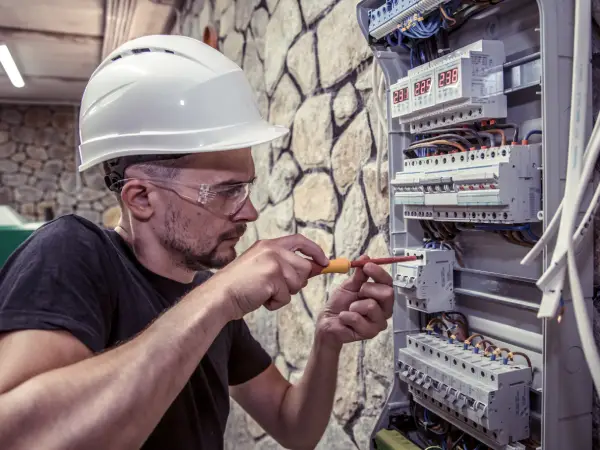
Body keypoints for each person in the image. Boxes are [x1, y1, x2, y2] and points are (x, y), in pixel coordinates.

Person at [0, 35, 394, 450]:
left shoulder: (204, 298)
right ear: (141, 198)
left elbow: (293, 427)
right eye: (226, 191)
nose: (250, 212)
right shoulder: (72, 252)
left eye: (246, 189)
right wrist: (221, 294)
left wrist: (327, 340)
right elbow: (22, 438)